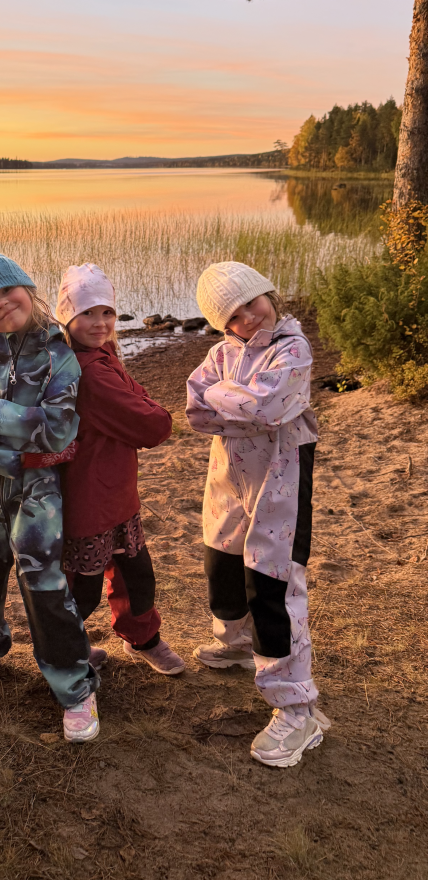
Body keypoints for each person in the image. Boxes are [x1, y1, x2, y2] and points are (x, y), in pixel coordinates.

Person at [0, 244, 100, 743]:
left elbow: (59, 431)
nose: (3, 303)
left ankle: (74, 687)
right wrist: (15, 457)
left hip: (38, 497)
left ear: (27, 290)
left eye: (8, 290)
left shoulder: (60, 356)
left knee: (44, 585)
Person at [186, 261, 330, 767]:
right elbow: (196, 410)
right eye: (235, 314)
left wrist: (225, 399)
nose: (250, 315)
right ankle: (237, 644)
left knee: (272, 584)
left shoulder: (293, 348)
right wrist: (236, 406)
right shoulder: (219, 353)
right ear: (223, 325)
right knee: (221, 564)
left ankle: (298, 711)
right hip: (228, 482)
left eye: (253, 302)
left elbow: (270, 409)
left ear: (269, 294)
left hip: (280, 483)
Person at [56, 263, 184, 675]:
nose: (100, 323)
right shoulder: (90, 373)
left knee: (135, 574)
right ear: (66, 317)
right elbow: (155, 425)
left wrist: (142, 405)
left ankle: (142, 638)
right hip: (89, 500)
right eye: (87, 313)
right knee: (84, 588)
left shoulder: (105, 356)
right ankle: (61, 652)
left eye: (107, 312)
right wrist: (149, 410)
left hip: (117, 493)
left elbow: (139, 402)